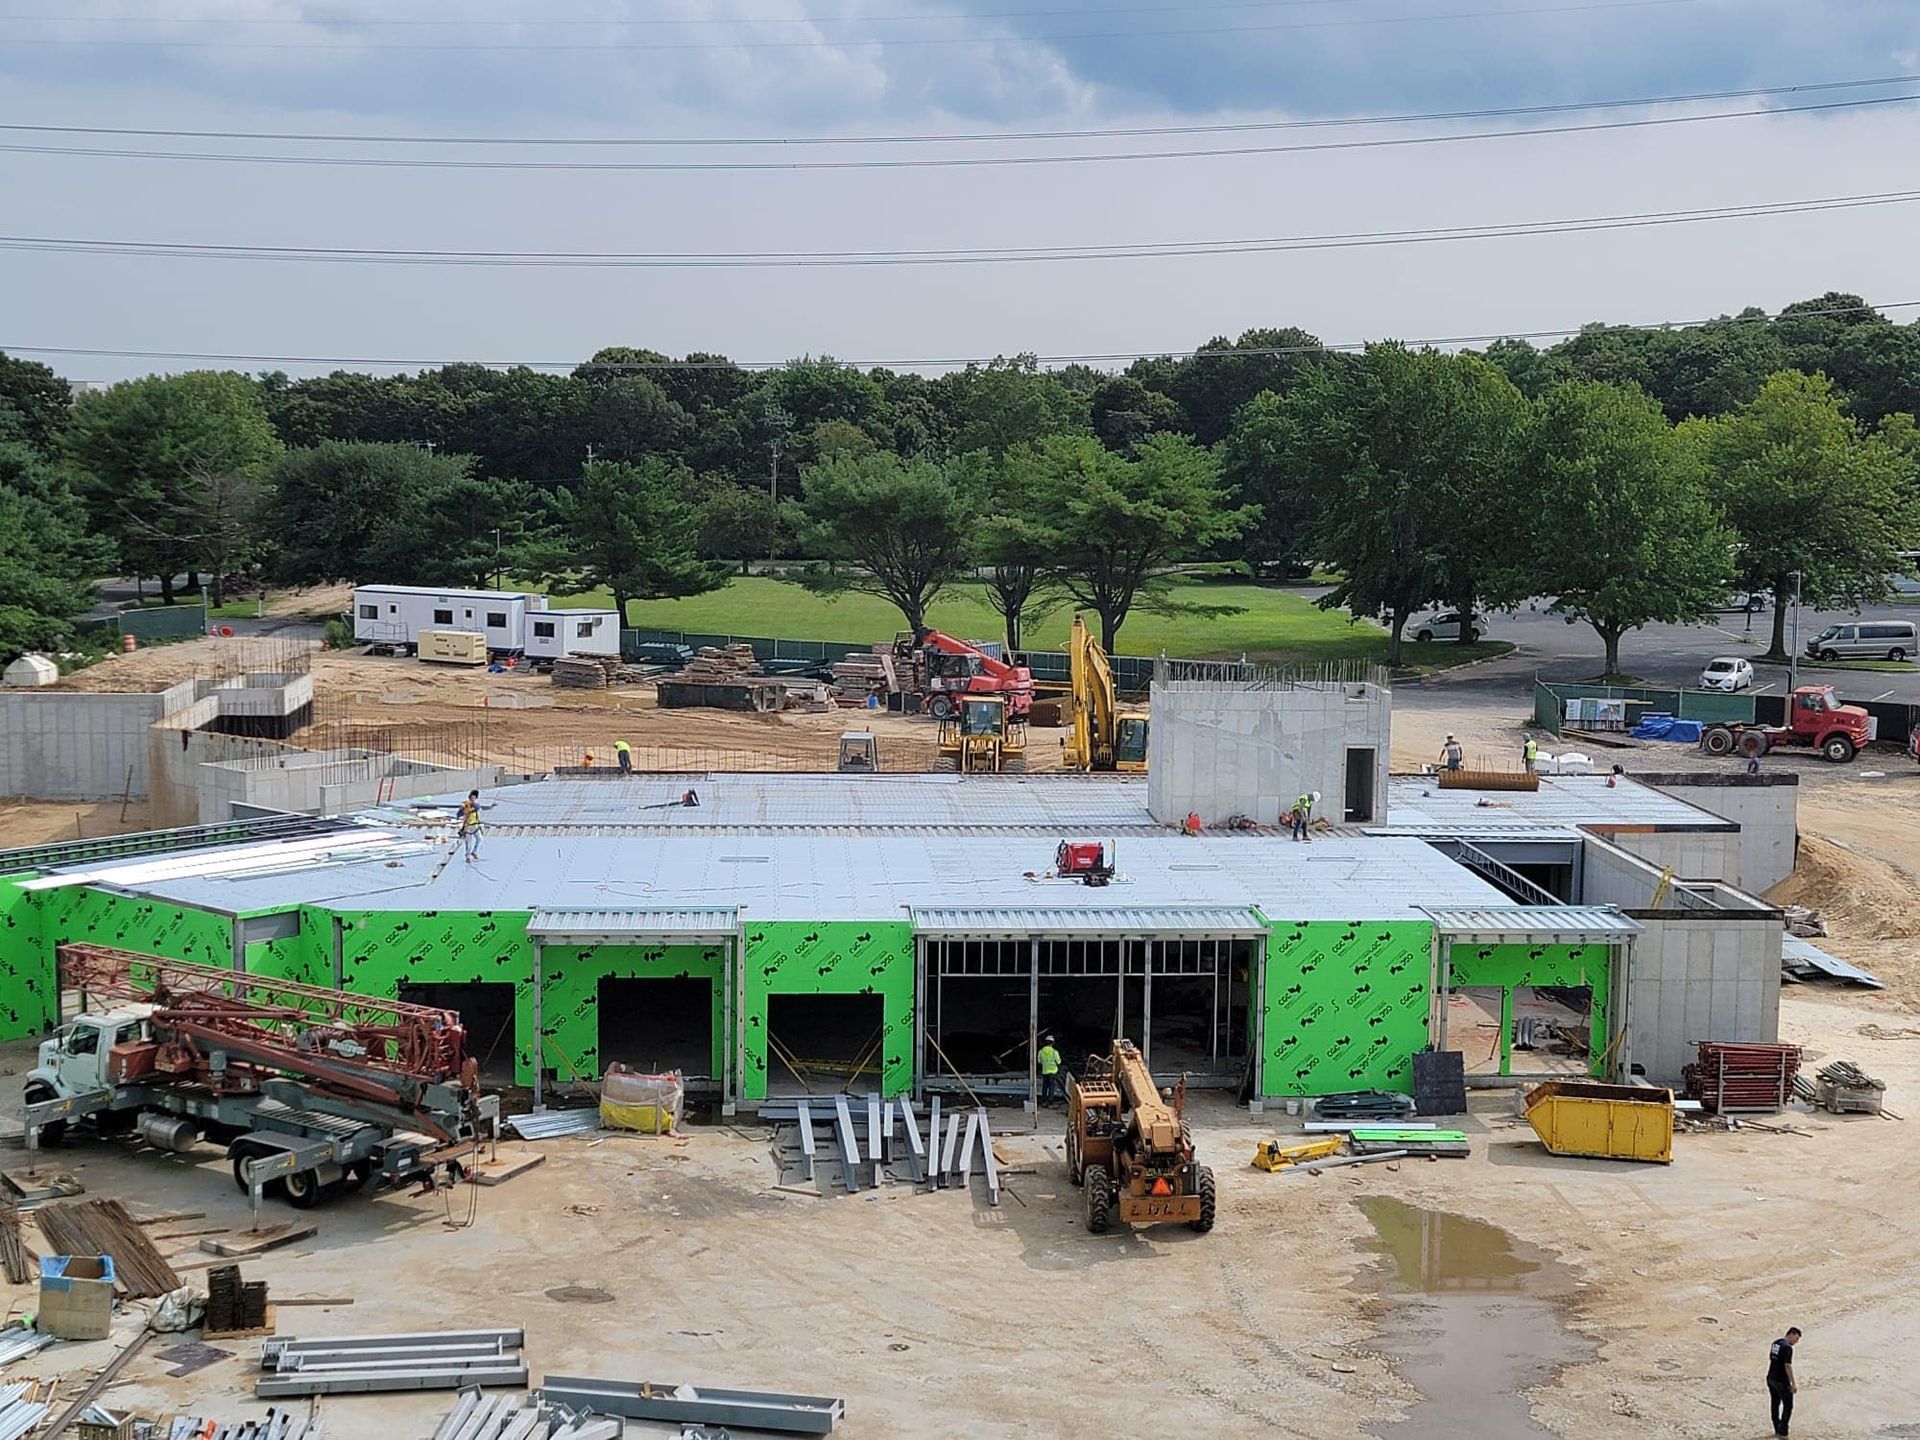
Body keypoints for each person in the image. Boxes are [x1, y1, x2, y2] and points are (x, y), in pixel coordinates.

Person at [1767, 1326, 1800, 1436]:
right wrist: (1793, 1383)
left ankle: (1777, 1427)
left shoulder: (1776, 1343)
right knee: (1788, 1405)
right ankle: (1783, 1430)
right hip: (1781, 1380)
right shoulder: (1787, 1347)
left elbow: (1772, 1358)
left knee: (1775, 1403)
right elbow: (1787, 1365)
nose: (1796, 1342)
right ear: (1791, 1334)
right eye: (1796, 1338)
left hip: (1771, 1377)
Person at [457, 790, 486, 862]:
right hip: (468, 827)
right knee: (469, 844)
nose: (473, 800)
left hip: (475, 826)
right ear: (469, 798)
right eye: (472, 798)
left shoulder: (475, 805)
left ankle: (474, 852)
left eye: (474, 798)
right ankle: (467, 856)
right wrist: (462, 809)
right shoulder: (465, 806)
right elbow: (458, 815)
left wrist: (469, 809)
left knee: (479, 839)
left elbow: (476, 807)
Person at [1036, 1034, 1063, 1106]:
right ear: (1052, 1043)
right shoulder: (1054, 1052)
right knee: (1051, 1087)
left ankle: (1043, 1100)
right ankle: (1050, 1101)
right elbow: (1059, 1062)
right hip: (1053, 1072)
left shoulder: (1041, 1051)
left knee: (1045, 1086)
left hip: (1045, 1071)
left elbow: (1039, 1061)